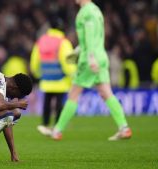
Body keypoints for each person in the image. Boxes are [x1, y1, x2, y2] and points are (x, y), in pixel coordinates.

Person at [51, 0, 132, 141]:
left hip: (90, 59)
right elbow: (95, 37)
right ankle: (124, 127)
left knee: (74, 94)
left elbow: (89, 37)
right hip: (101, 55)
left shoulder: (86, 12)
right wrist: (78, 51)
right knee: (106, 92)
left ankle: (57, 130)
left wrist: (90, 57)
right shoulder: (96, 10)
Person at [30, 17, 76, 136]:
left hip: (46, 78)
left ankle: (45, 124)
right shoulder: (63, 42)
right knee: (59, 103)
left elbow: (35, 59)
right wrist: (72, 74)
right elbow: (68, 61)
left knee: (47, 101)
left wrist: (37, 72)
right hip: (60, 79)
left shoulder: (41, 40)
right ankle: (57, 126)